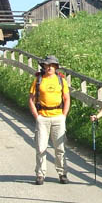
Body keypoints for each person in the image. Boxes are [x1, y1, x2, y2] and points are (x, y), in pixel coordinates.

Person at [28, 55, 71, 185]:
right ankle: (40, 174)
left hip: (58, 117)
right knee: (41, 147)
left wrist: (64, 115)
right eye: (47, 65)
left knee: (60, 148)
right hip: (43, 117)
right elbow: (31, 99)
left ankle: (62, 173)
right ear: (44, 66)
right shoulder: (39, 80)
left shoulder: (61, 80)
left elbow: (67, 98)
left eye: (52, 65)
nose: (50, 67)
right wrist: (37, 116)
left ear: (56, 67)